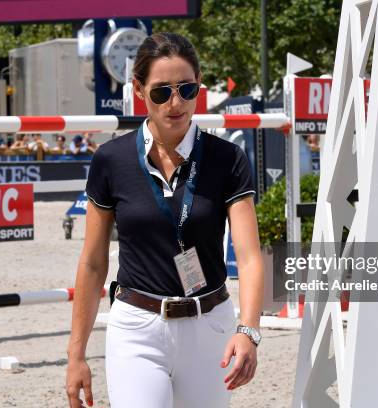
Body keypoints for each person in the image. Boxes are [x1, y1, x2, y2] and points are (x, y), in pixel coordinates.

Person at [66, 32, 263, 408]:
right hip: (137, 328)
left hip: (210, 326)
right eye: (161, 92)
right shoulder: (111, 160)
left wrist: (249, 331)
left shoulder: (228, 159)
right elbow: (92, 263)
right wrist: (76, 355)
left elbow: (250, 257)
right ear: (139, 90)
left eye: (187, 90)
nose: (176, 103)